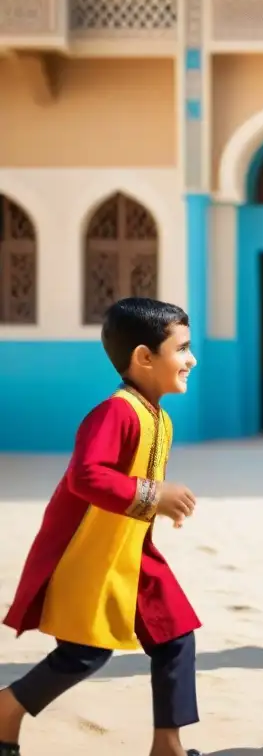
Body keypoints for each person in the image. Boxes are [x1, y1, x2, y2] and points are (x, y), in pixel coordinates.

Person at [0, 297, 204, 756]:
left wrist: (159, 506)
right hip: (90, 557)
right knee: (83, 654)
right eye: (183, 348)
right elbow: (86, 476)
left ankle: (167, 746)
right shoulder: (116, 412)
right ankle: (7, 709)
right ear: (144, 357)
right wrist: (157, 496)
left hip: (134, 556)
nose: (192, 359)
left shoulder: (159, 418)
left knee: (175, 637)